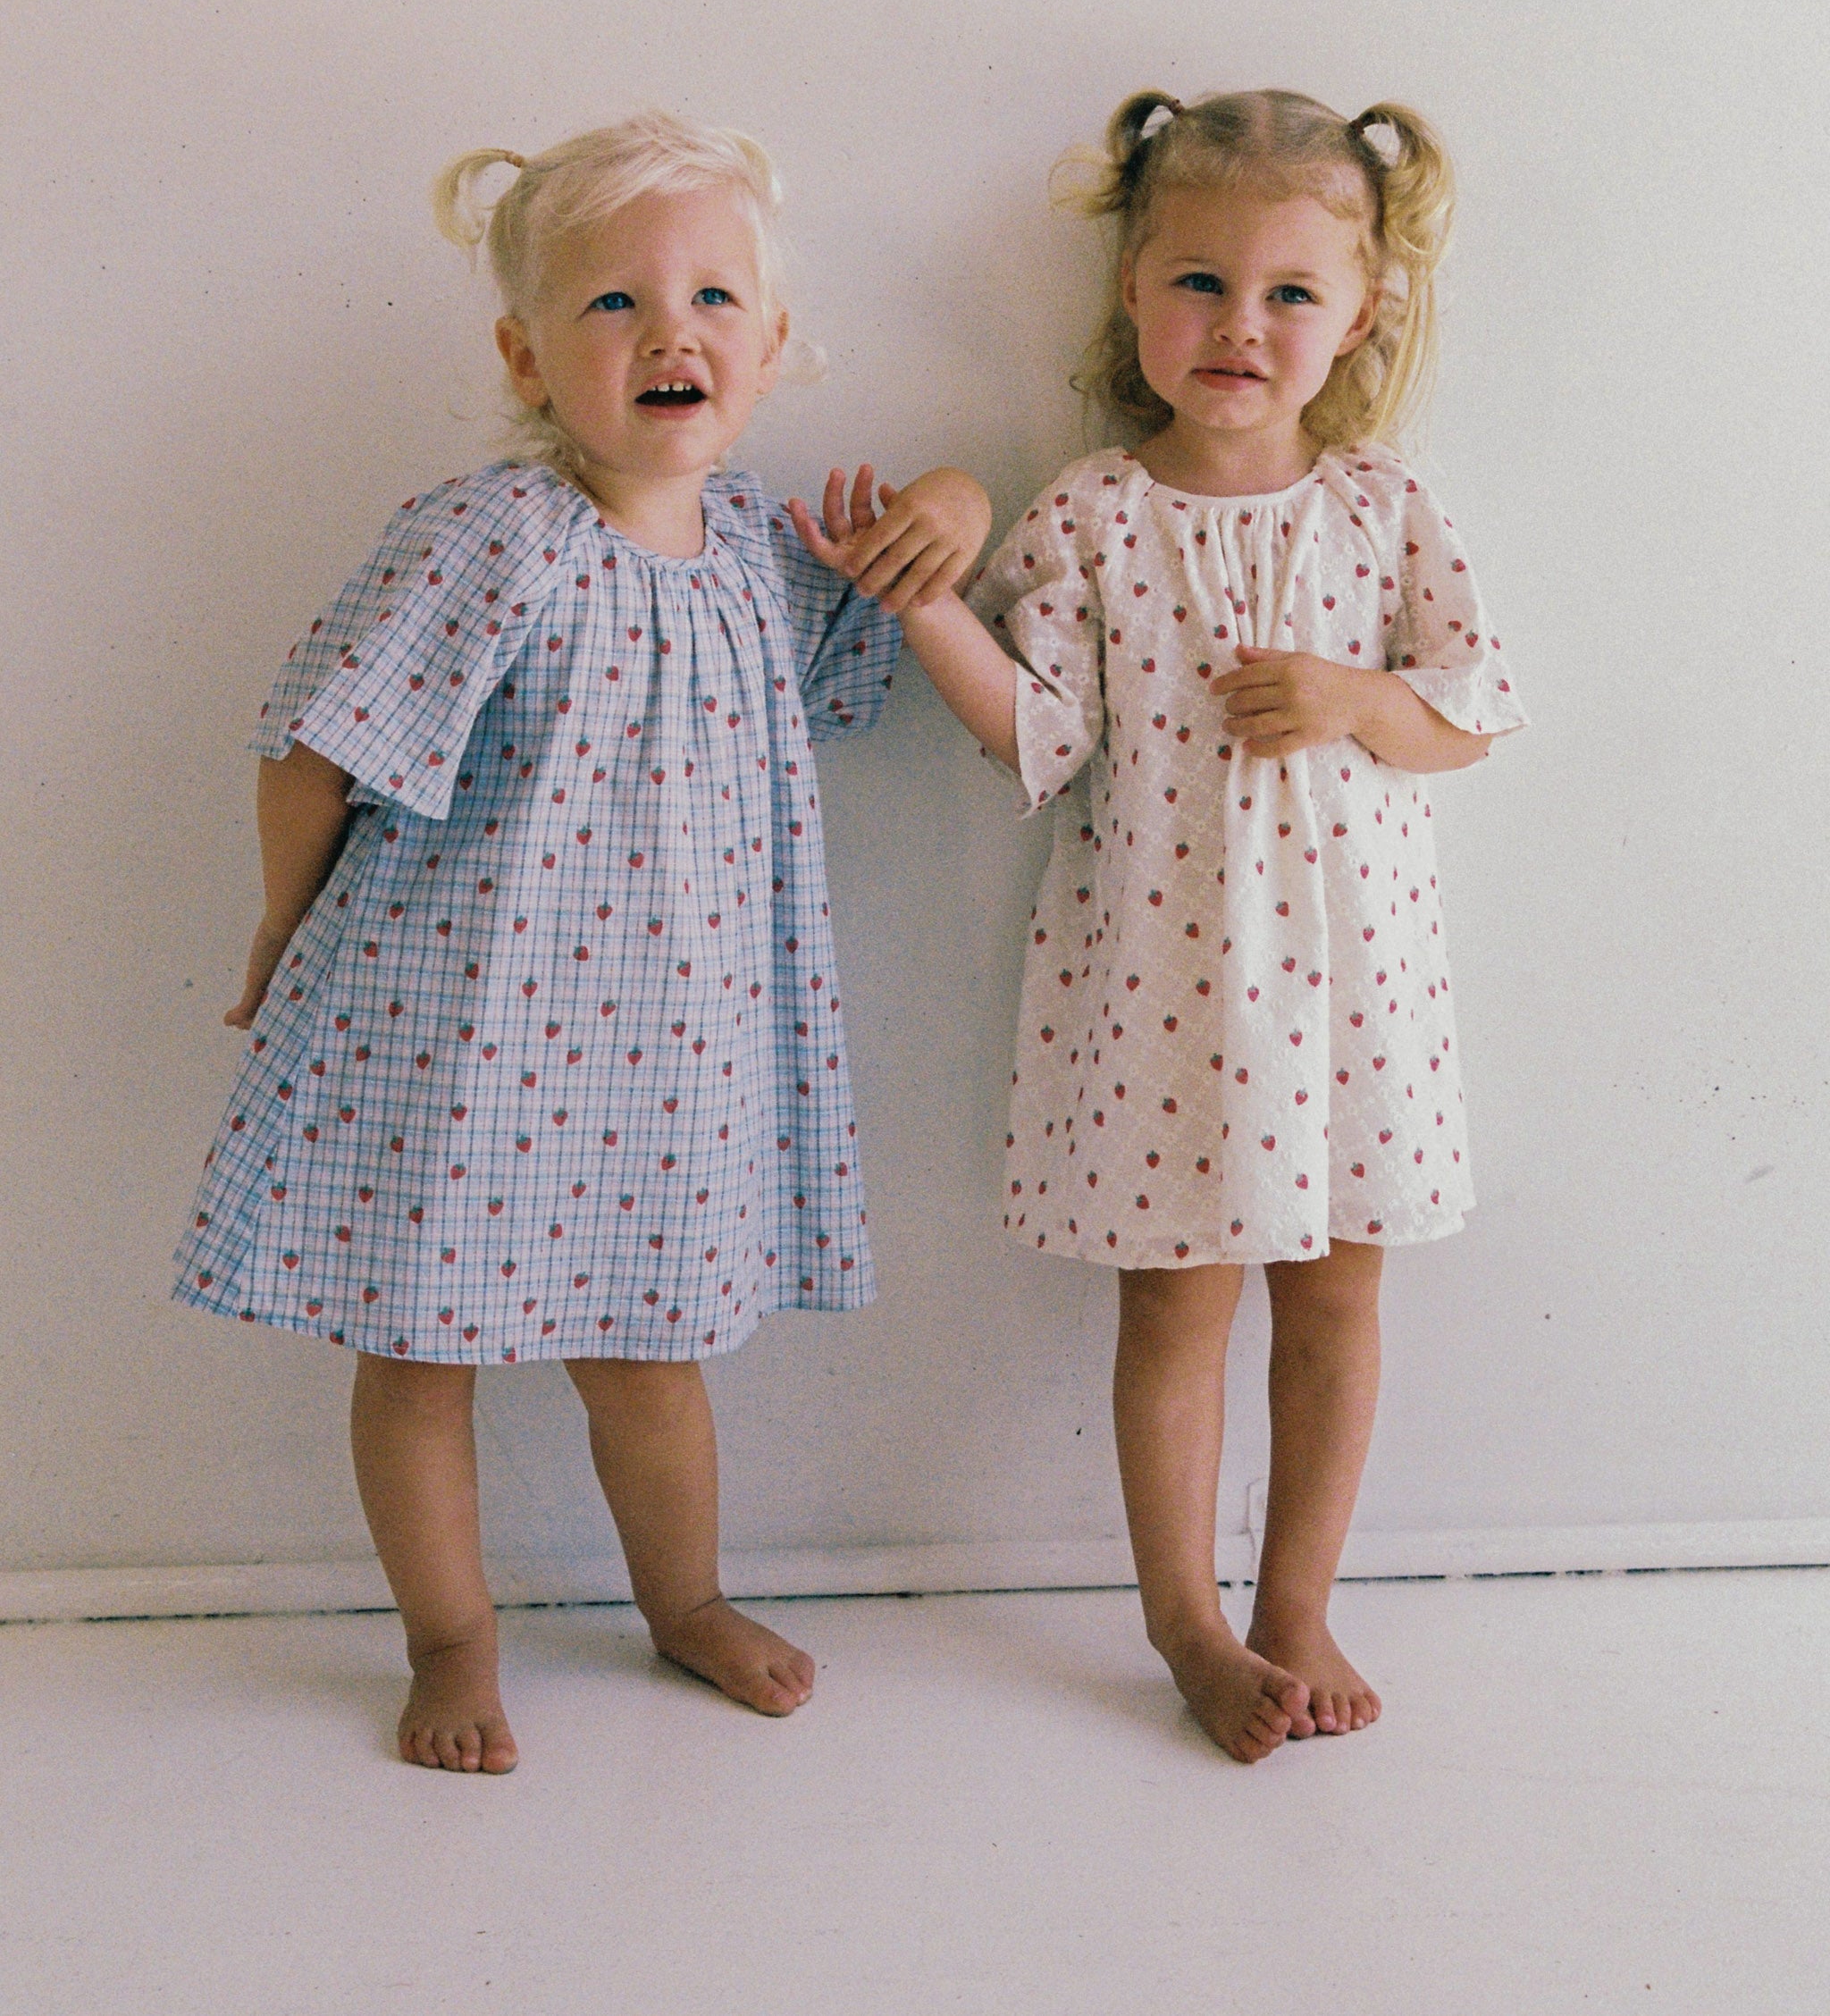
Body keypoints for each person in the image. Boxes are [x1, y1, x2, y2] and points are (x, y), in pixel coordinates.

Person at [174, 112, 989, 1774]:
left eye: (709, 298)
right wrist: (281, 915)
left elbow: (907, 589)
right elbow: (317, 740)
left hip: (666, 1054)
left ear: (769, 348)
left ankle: (681, 1600)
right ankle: (452, 1638)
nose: (667, 330)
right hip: (454, 1028)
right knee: (420, 1352)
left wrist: (961, 499)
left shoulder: (761, 554)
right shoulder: (495, 540)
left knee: (654, 1353)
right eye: (612, 303)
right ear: (529, 355)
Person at [797, 88, 1524, 1763]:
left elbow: (1470, 715)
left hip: (1351, 984)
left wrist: (1359, 696)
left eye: (1287, 293)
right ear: (1133, 296)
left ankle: (1294, 1602)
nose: (1239, 327)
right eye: (1198, 283)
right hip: (1165, 989)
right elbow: (1036, 735)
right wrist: (923, 607)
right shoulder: (1097, 516)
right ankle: (1184, 1621)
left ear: (1360, 316)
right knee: (1177, 1308)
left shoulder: (1382, 509)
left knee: (1340, 1295)